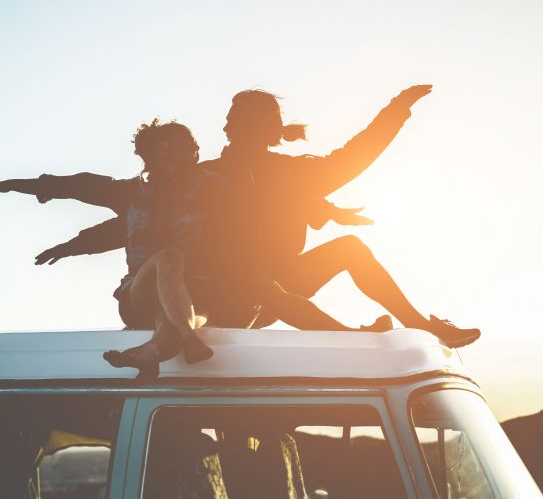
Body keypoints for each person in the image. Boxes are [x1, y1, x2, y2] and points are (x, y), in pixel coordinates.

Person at [17, 85, 481, 347]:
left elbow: (351, 159)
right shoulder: (206, 175)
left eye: (234, 116)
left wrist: (394, 112)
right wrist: (75, 243)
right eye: (227, 117)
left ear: (258, 127)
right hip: (228, 288)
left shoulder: (294, 174)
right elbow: (141, 220)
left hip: (281, 278)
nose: (223, 125)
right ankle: (352, 338)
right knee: (266, 285)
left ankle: (420, 324)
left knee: (351, 251)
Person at [1, 120, 391, 378]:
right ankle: (185, 341)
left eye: (181, 152)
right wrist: (12, 187)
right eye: (162, 154)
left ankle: (352, 342)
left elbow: (270, 200)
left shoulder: (212, 187)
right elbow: (71, 185)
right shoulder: (129, 193)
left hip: (195, 296)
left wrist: (330, 210)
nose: (173, 161)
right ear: (147, 158)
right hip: (138, 293)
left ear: (192, 153)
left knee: (268, 291)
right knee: (169, 258)